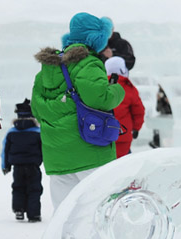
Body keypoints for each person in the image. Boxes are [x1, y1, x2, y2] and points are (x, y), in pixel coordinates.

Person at [31, 12, 124, 209]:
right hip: (89, 151)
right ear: (96, 38)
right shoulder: (88, 63)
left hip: (57, 158)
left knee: (65, 215)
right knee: (97, 211)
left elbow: (37, 109)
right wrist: (117, 89)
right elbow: (100, 99)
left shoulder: (48, 69)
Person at [1, 99, 43, 222]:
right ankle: (33, 214)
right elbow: (44, 149)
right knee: (34, 188)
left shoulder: (11, 132)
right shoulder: (37, 132)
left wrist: (6, 166)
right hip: (33, 166)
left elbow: (5, 150)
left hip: (17, 167)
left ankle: (19, 210)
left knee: (18, 187)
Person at [105, 55, 145, 159]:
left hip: (104, 134)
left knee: (107, 165)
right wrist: (136, 128)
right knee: (124, 164)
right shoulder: (128, 87)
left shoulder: (102, 86)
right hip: (123, 134)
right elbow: (139, 111)